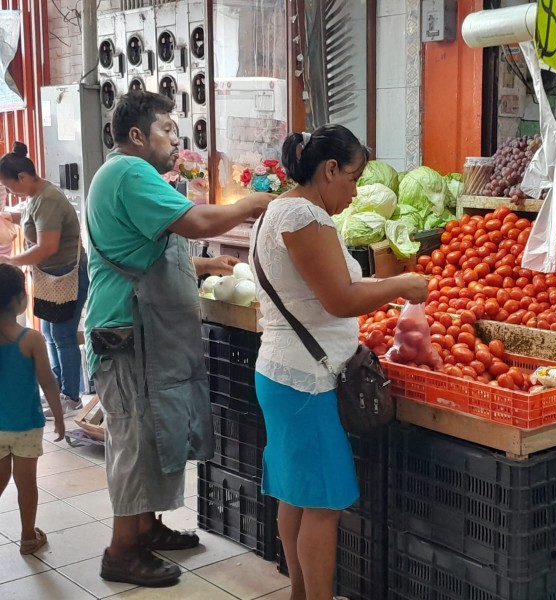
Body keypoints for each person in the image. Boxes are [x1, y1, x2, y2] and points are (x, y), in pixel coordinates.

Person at [85, 91, 273, 587]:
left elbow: (142, 253)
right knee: (137, 442)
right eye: (167, 129)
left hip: (144, 333)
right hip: (130, 336)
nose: (176, 139)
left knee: (156, 434)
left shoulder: (123, 175)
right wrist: (253, 202)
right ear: (137, 136)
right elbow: (196, 221)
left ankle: (148, 528)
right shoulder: (130, 172)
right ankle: (122, 552)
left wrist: (205, 265)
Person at [250, 125, 428, 600]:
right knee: (324, 505)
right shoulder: (307, 216)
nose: (353, 191)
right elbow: (340, 299)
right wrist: (402, 285)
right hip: (306, 382)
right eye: (352, 178)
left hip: (284, 373)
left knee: (296, 494)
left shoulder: (278, 210)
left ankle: (300, 594)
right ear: (329, 169)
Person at [0, 142, 88, 419]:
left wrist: (12, 261)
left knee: (62, 335)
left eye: (10, 186)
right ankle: (60, 390)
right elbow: (23, 215)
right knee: (50, 334)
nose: (10, 192)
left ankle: (71, 396)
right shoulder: (35, 196)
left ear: (23, 178)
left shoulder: (48, 199)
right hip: (49, 276)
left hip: (65, 274)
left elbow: (47, 247)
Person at [0, 264, 65, 555]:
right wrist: (60, 418)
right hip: (26, 425)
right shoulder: (32, 339)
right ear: (18, 300)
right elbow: (48, 383)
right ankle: (28, 537)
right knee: (27, 485)